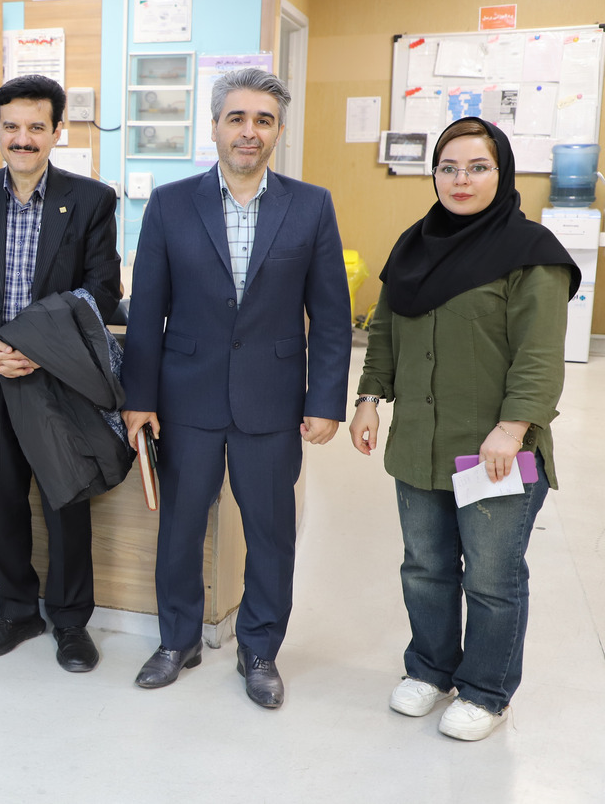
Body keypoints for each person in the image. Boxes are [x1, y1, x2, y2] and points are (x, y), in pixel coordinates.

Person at [121, 68, 351, 708]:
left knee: (271, 533)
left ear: (278, 130)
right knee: (180, 528)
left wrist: (325, 401)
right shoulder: (170, 203)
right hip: (186, 398)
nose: (249, 131)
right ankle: (177, 640)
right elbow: (147, 311)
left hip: (273, 401)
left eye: (263, 120)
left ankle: (260, 649)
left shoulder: (311, 205)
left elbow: (332, 315)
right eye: (237, 118)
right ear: (215, 126)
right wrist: (139, 398)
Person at [349, 117, 578, 741]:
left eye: (478, 167)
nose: (461, 180)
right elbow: (386, 329)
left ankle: (486, 690)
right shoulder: (414, 245)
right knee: (424, 566)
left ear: (502, 173)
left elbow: (539, 355)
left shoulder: (531, 252)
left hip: (493, 449)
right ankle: (430, 669)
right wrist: (369, 397)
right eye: (448, 167)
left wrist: (513, 426)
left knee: (492, 577)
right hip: (418, 442)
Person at [0, 75, 121, 672]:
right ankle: (16, 611)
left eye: (37, 127)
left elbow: (102, 290)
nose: (23, 138)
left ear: (57, 131)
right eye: (11, 126)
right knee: (2, 505)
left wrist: (41, 346)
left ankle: (70, 623)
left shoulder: (91, 200)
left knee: (66, 503)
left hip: (56, 379)